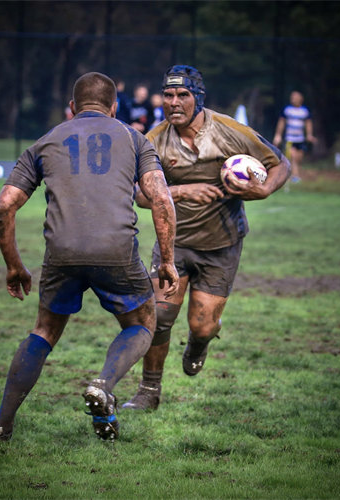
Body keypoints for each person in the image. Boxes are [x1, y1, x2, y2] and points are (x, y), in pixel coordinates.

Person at [0, 72, 179, 443]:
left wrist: (14, 266)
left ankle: (0, 424)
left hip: (61, 252)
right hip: (116, 250)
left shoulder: (45, 141)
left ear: (72, 108)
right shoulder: (133, 137)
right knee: (142, 321)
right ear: (114, 106)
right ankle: (103, 386)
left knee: (44, 330)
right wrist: (167, 258)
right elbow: (161, 199)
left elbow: (3, 207)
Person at [122, 65, 290, 411]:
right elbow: (139, 195)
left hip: (221, 245)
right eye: (168, 95)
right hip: (174, 243)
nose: (174, 102)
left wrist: (265, 190)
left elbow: (280, 163)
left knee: (202, 325)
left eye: (182, 95)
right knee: (159, 316)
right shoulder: (152, 141)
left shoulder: (230, 130)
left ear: (198, 98)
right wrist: (181, 191)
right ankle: (148, 391)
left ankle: (199, 343)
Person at [273, 91, 317, 183]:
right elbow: (281, 123)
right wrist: (278, 135)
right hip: (290, 138)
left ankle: (296, 174)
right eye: (292, 97)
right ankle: (295, 176)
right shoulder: (287, 109)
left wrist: (309, 135)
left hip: (300, 139)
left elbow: (308, 123)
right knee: (293, 156)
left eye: (295, 97)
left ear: (300, 99)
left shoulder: (305, 110)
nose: (292, 99)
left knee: (299, 158)